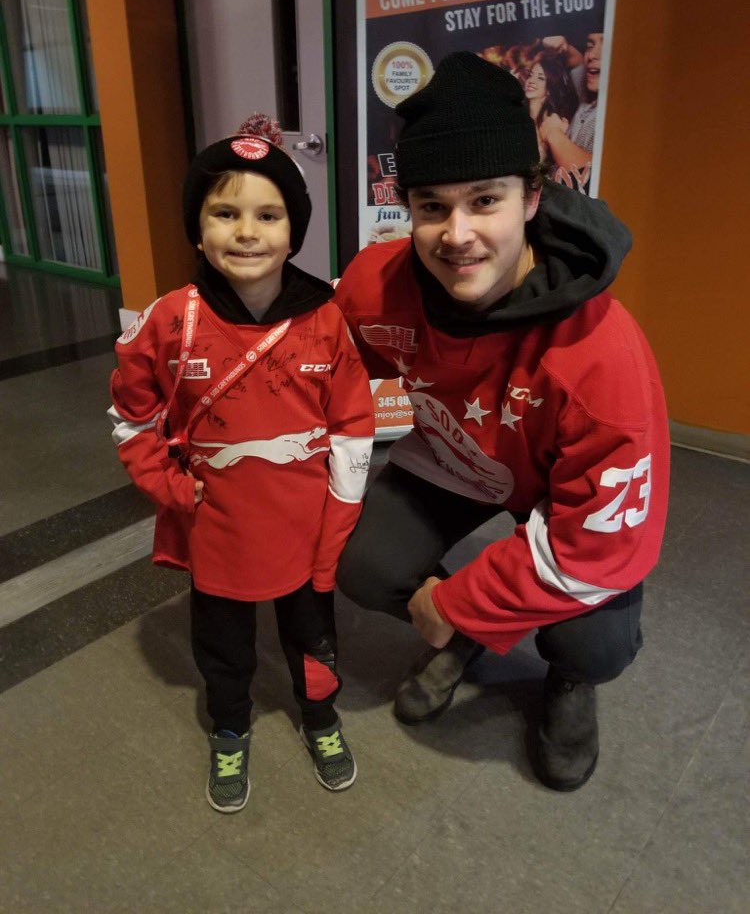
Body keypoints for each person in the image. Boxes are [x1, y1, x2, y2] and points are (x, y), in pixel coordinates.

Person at [335, 53, 669, 791]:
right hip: (464, 457)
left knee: (596, 638)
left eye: (484, 200)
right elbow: (321, 371)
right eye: (431, 207)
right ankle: (460, 635)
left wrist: (459, 601)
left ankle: (555, 676)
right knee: (360, 562)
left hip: (570, 501)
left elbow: (598, 547)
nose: (456, 235)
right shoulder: (375, 285)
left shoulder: (603, 353)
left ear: (531, 196)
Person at [108, 115, 374, 812]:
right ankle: (229, 724)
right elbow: (131, 417)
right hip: (216, 528)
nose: (247, 231)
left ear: (295, 230)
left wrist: (337, 526)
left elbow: (351, 428)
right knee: (222, 645)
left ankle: (320, 716)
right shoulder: (170, 320)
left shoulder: (325, 319)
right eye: (224, 212)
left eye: (268, 214)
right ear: (199, 228)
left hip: (306, 526)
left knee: (313, 637)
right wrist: (168, 487)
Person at [541, 32, 603, 174]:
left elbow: (592, 176)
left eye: (605, 47)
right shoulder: (588, 92)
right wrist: (564, 45)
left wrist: (553, 133)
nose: (592, 55)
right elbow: (576, 61)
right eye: (590, 46)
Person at [524, 52, 580, 163]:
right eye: (530, 75)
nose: (531, 81)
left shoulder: (550, 120)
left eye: (540, 78)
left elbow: (538, 161)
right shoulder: (520, 111)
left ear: (549, 90)